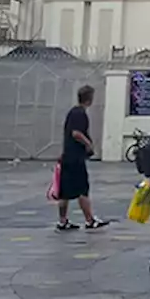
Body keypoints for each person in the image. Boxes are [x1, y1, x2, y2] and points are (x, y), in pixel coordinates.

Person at [56, 84, 109, 232]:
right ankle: (89, 220)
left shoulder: (72, 112)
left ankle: (62, 221)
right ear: (90, 99)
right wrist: (89, 144)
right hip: (76, 158)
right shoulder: (80, 114)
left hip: (67, 156)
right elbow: (76, 133)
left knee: (64, 192)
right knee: (82, 189)